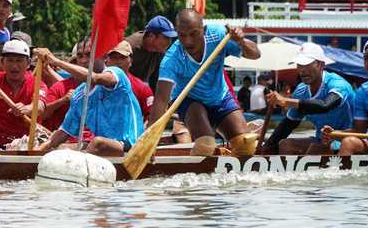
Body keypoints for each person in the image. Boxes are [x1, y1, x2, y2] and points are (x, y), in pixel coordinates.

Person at [148, 9, 261, 142]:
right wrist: (150, 139)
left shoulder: (219, 35)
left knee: (244, 144)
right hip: (189, 100)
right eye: (182, 35)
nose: (188, 41)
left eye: (194, 34)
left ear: (204, 30)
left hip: (219, 97)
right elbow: (160, 101)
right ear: (176, 33)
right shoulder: (171, 59)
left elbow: (256, 54)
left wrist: (241, 42)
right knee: (207, 145)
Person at [38, 41, 144, 156]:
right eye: (79, 56)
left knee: (98, 142)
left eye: (89, 55)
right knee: (63, 148)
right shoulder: (78, 95)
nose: (83, 61)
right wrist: (36, 152)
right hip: (101, 149)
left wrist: (55, 61)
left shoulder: (117, 74)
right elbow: (64, 132)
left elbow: (93, 78)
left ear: (104, 57)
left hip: (131, 146)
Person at [260, 42, 355, 155]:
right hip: (322, 140)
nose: (302, 70)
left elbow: (325, 105)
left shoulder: (337, 84)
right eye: (299, 65)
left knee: (315, 149)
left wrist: (286, 101)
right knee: (285, 145)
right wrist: (266, 148)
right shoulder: (301, 91)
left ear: (322, 65)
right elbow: (288, 124)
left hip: (347, 139)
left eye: (307, 64)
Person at [0, 39, 47, 150]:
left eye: (19, 61)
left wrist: (27, 109)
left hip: (28, 143)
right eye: (9, 60)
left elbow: (40, 107)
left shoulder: (37, 83)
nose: (14, 66)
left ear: (28, 63)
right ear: (2, 62)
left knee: (14, 147)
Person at [125, 15, 177, 91]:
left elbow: (155, 80)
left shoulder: (159, 51)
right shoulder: (129, 47)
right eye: (166, 38)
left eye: (171, 38)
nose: (169, 42)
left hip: (136, 91)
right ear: (152, 36)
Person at [105, 40, 153, 120]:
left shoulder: (142, 88)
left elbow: (151, 119)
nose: (118, 62)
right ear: (106, 61)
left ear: (131, 61)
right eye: (113, 58)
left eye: (123, 57)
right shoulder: (97, 85)